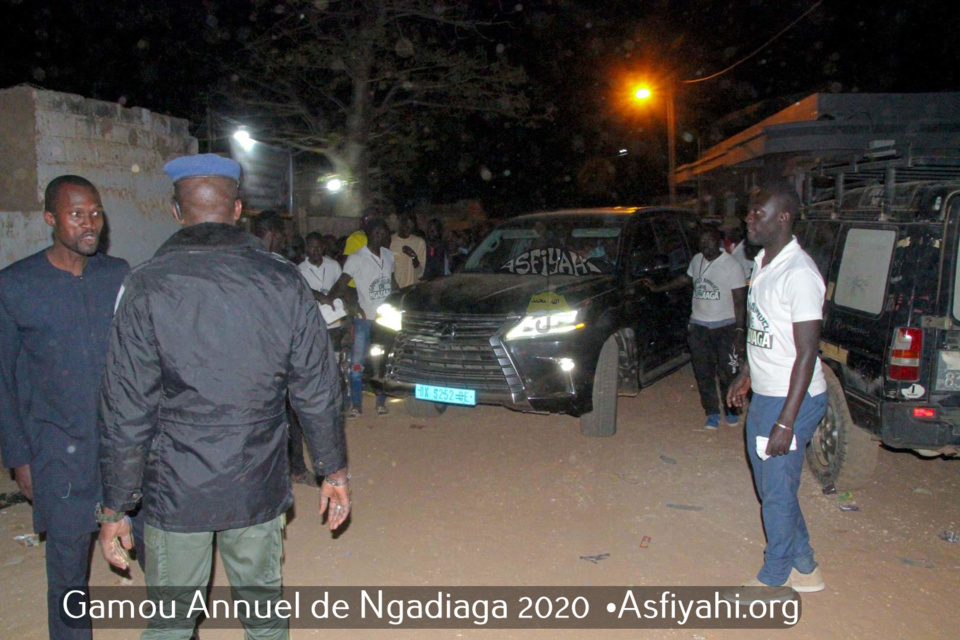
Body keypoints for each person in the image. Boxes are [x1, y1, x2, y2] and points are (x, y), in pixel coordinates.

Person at [96, 154, 350, 639]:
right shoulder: (282, 280)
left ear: (175, 211)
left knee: (172, 623)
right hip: (254, 480)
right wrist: (333, 469)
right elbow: (317, 388)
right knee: (264, 616)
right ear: (238, 209)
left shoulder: (146, 285)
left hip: (177, 488)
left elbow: (126, 408)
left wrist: (115, 505)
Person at [0, 176, 130, 640]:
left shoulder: (118, 275)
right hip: (58, 452)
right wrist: (19, 458)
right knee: (69, 570)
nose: (90, 223)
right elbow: (3, 381)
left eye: (96, 212)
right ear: (50, 219)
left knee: (161, 555)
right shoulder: (14, 286)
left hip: (124, 447)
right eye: (77, 214)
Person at [727, 183, 828, 593]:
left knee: (775, 491)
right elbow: (764, 329)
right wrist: (747, 371)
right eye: (749, 213)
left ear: (783, 218)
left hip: (793, 399)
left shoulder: (799, 273)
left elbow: (807, 353)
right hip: (768, 393)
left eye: (757, 213)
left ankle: (775, 576)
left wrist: (787, 419)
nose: (748, 219)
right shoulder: (763, 263)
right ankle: (806, 568)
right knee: (775, 487)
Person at [330, 219, 398, 418]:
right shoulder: (356, 258)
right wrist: (348, 304)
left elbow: (391, 282)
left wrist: (401, 298)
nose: (388, 238)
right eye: (386, 234)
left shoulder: (388, 255)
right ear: (376, 234)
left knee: (383, 361)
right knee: (358, 363)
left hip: (386, 319)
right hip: (365, 319)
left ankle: (381, 401)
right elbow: (342, 284)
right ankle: (356, 404)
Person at [686, 227, 747, 429]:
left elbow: (739, 301)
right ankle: (712, 412)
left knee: (728, 371)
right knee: (703, 372)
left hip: (726, 326)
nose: (706, 246)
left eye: (710, 242)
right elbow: (688, 280)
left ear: (719, 242)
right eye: (702, 242)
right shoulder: (696, 260)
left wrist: (740, 330)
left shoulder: (731, 265)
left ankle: (731, 409)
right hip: (699, 326)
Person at [389, 212, 426, 287]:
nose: (408, 227)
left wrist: (413, 256)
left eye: (411, 224)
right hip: (395, 289)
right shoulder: (390, 240)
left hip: (413, 289)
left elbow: (420, 273)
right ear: (400, 223)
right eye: (405, 223)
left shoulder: (419, 242)